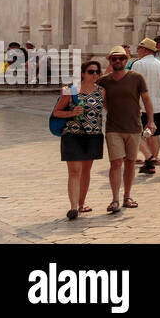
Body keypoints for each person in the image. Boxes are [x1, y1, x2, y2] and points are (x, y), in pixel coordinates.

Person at [97, 45, 156, 213]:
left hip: (133, 127)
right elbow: (92, 93)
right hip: (113, 127)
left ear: (126, 60)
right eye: (114, 58)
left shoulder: (136, 78)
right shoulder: (104, 80)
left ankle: (127, 196)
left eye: (121, 58)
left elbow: (146, 99)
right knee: (115, 163)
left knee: (130, 163)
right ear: (110, 61)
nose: (118, 61)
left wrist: (150, 121)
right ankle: (115, 199)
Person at [53, 59, 104, 220]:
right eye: (91, 72)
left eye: (97, 72)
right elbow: (57, 112)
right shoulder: (70, 91)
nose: (94, 75)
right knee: (74, 171)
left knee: (86, 171)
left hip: (93, 135)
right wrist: (72, 113)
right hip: (73, 134)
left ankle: (81, 203)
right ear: (82, 73)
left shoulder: (102, 91)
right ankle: (73, 207)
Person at [130, 38, 160, 174]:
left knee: (137, 134)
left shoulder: (138, 65)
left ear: (145, 50)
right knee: (155, 135)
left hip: (141, 105)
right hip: (157, 104)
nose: (137, 51)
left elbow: (133, 86)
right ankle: (153, 160)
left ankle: (149, 158)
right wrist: (159, 97)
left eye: (139, 48)